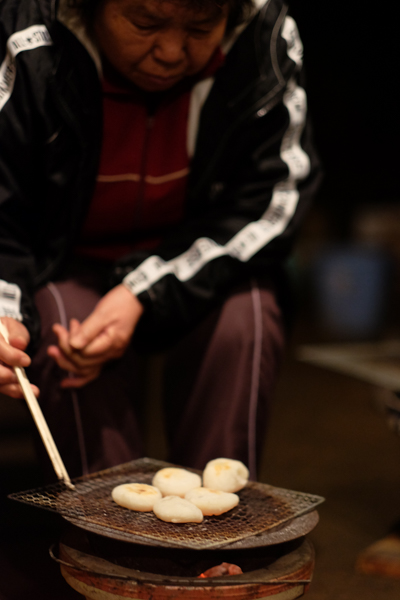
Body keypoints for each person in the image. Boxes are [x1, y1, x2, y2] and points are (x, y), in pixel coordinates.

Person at [0, 0, 320, 483]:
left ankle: (221, 539)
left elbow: (274, 198)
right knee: (65, 329)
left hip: (196, 256)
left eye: (200, 26)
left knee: (246, 318)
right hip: (66, 260)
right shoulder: (29, 35)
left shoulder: (262, 32)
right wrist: (2, 311)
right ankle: (108, 540)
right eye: (145, 23)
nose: (171, 52)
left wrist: (142, 291)